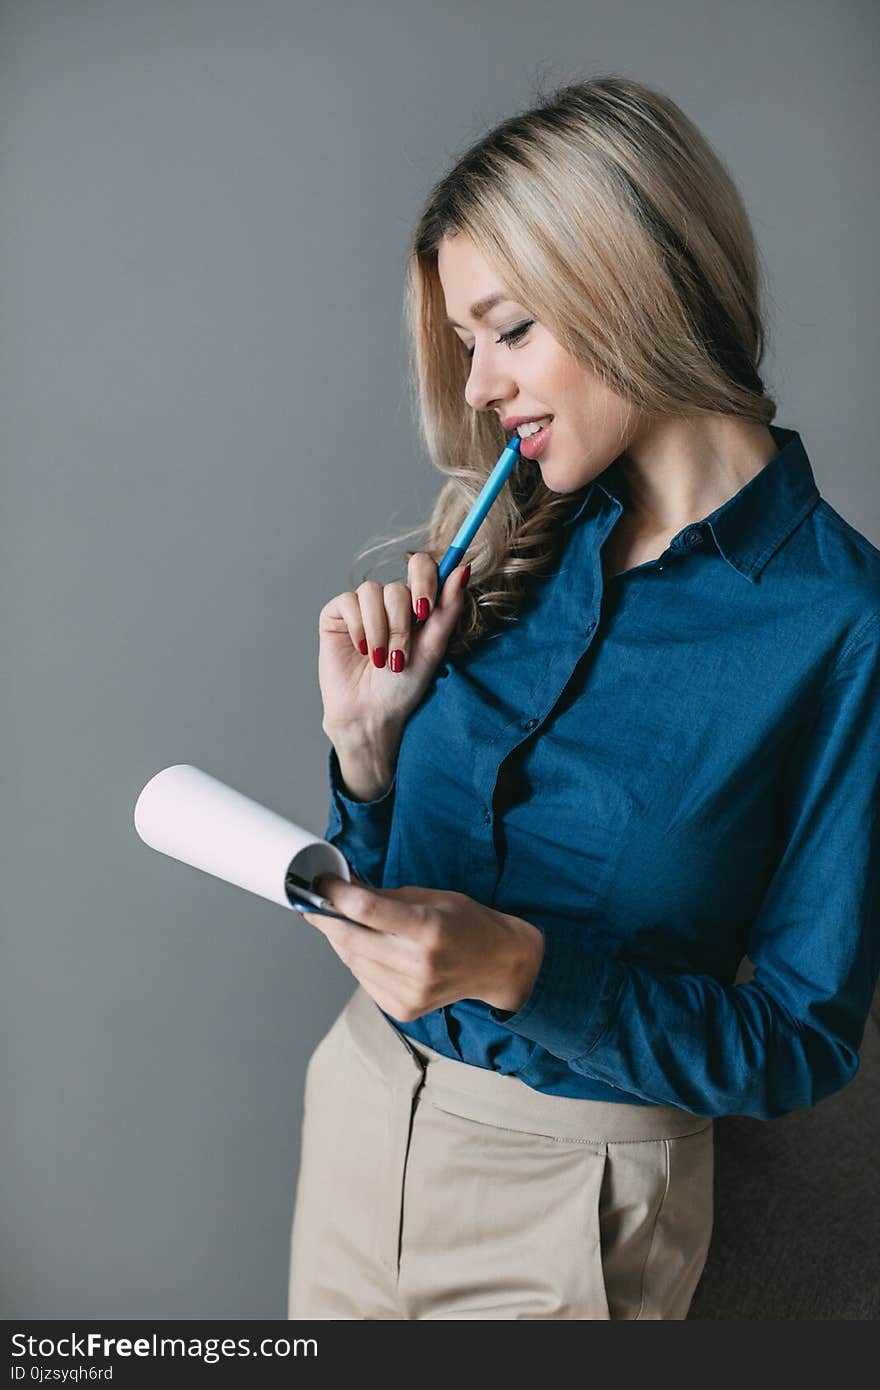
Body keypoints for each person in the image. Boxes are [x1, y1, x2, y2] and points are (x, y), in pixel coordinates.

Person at [286, 74, 880, 1320]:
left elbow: (800, 1041)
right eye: (465, 345)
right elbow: (396, 889)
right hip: (360, 1116)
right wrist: (365, 759)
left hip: (573, 1209)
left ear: (632, 280)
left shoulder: (839, 626)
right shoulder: (515, 541)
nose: (480, 388)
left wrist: (518, 966)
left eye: (508, 330)